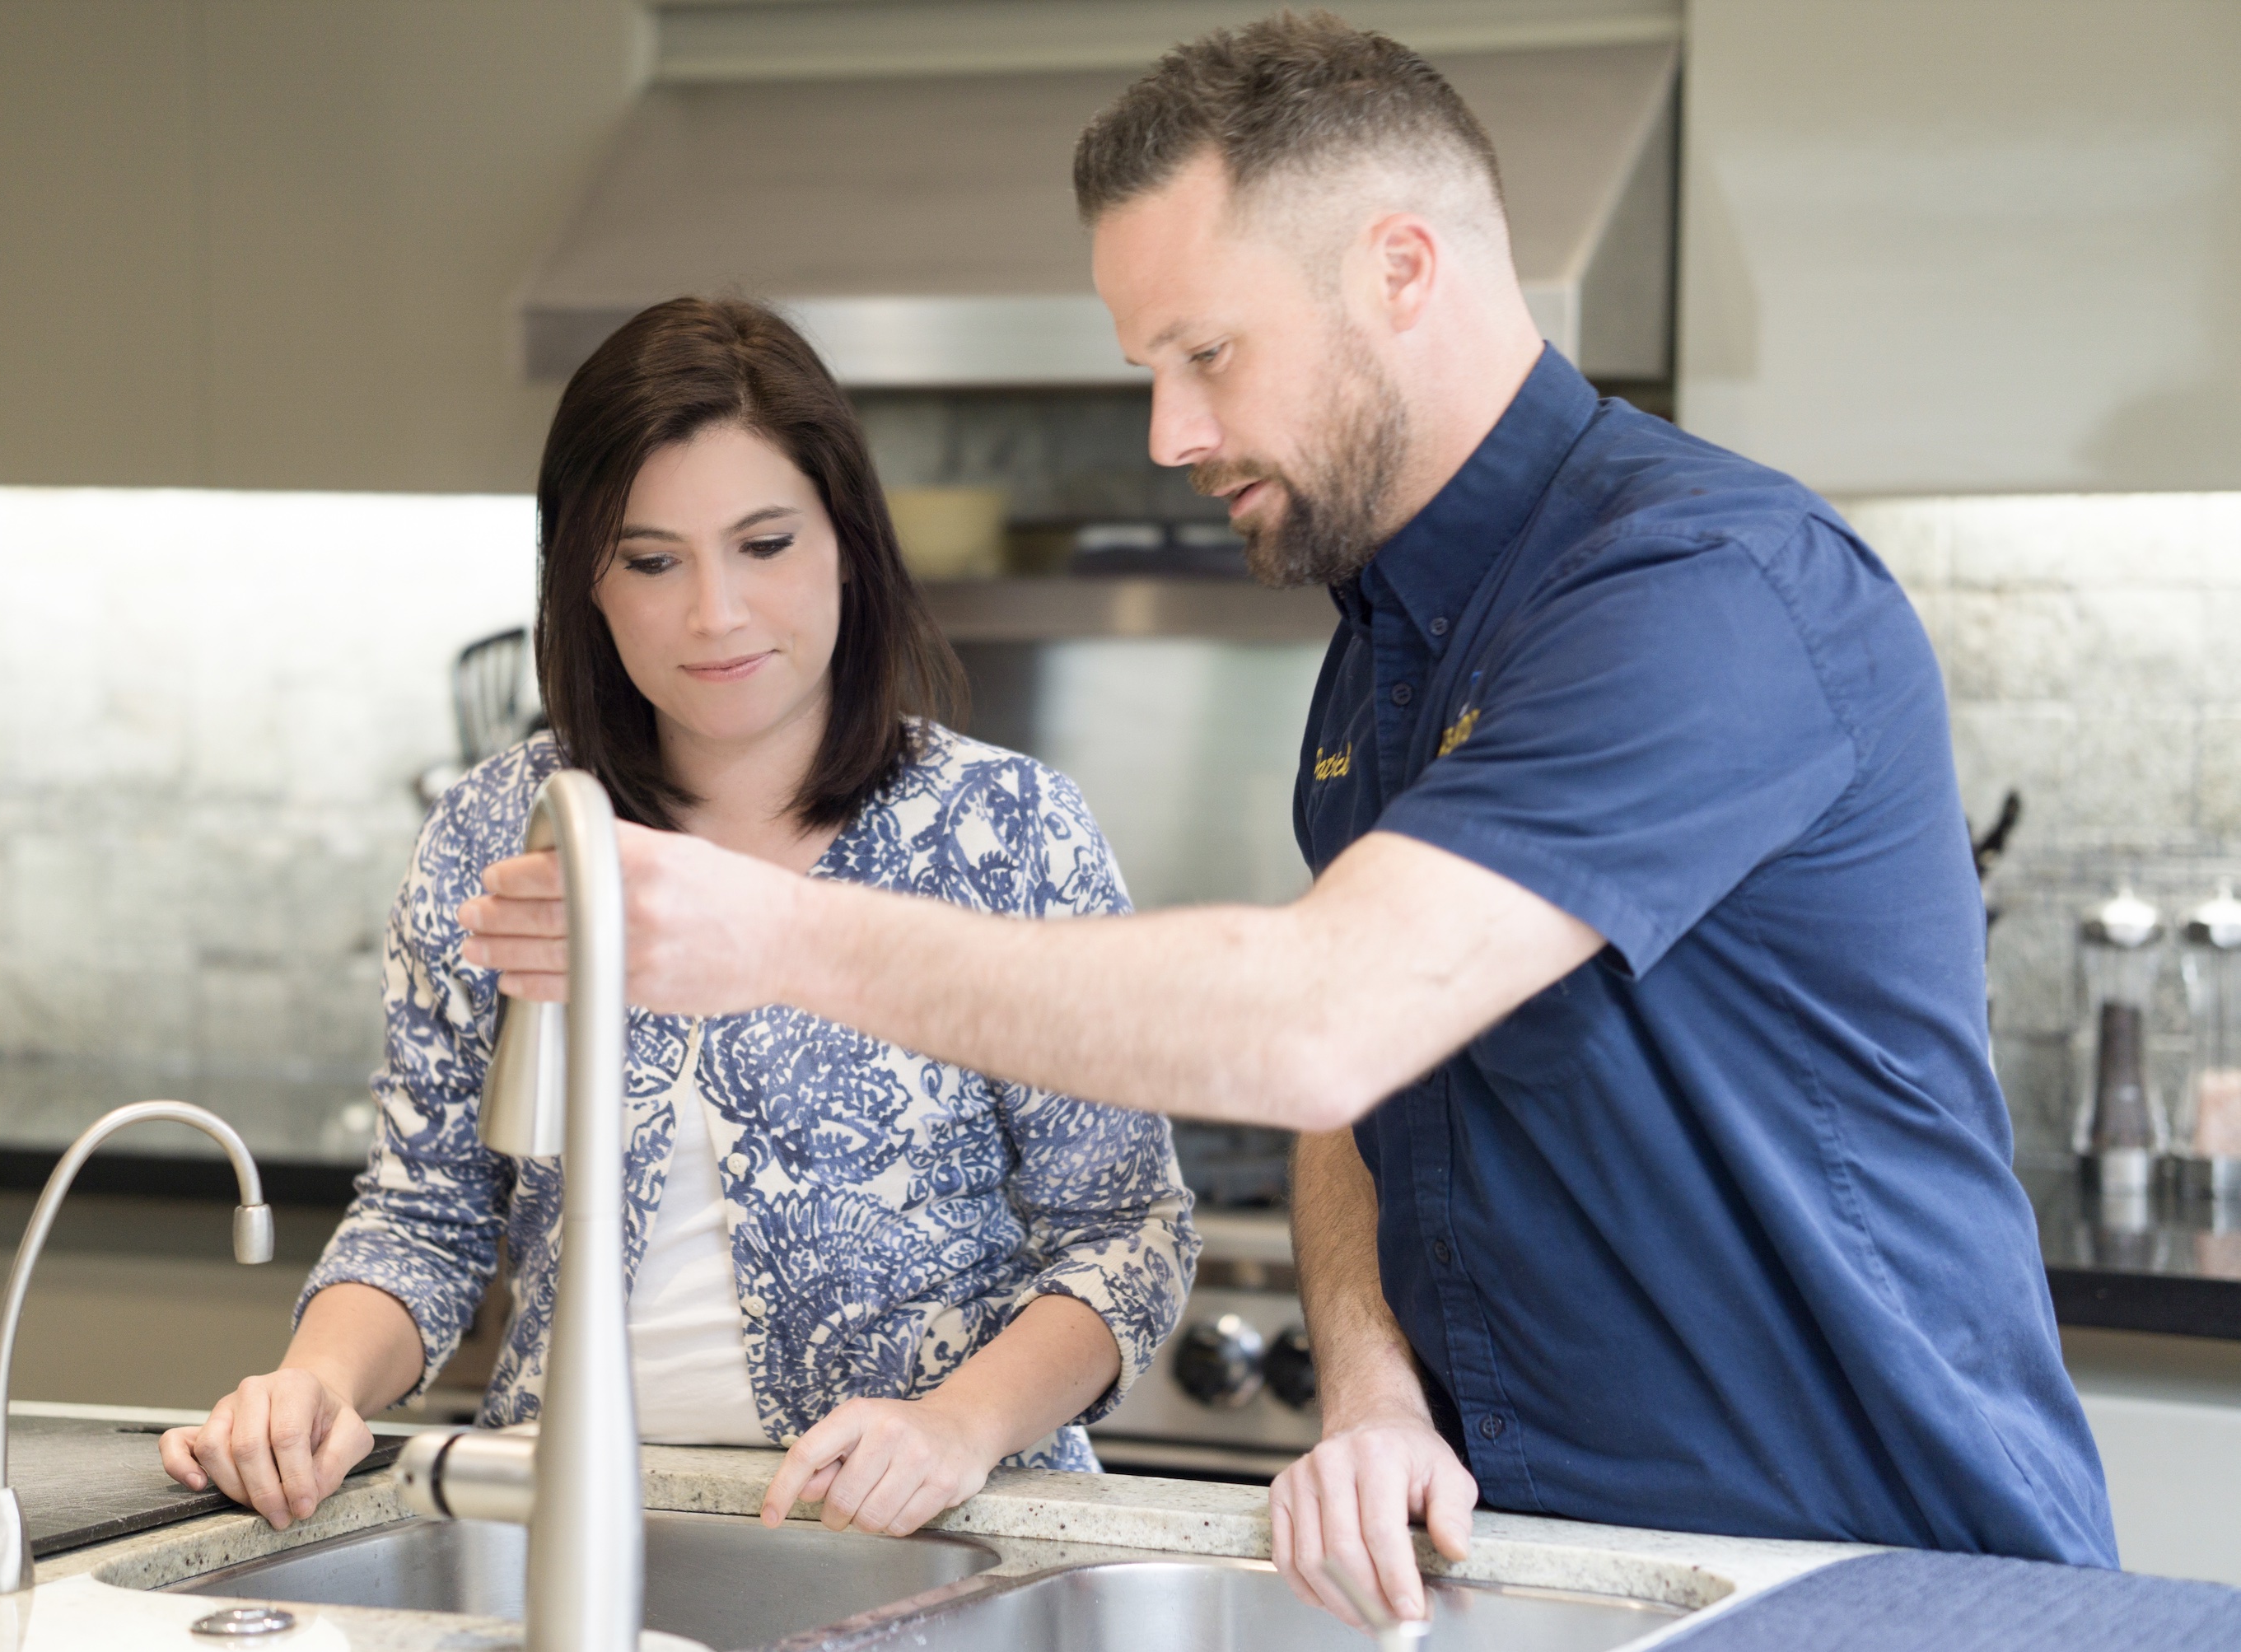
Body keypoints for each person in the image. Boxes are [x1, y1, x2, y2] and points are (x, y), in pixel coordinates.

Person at [465, 12, 2121, 1630]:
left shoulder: (1698, 593)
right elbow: (1360, 1100)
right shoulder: (1379, 651)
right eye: (1148, 370)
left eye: (1207, 353)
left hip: (1864, 1569)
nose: (1168, 432)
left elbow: (1314, 1027)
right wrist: (1372, 1380)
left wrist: (774, 932)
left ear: (1400, 270)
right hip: (1547, 1565)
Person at [159, 297, 1196, 1541]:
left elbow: (1126, 1233)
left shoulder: (1007, 828)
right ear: (583, 581)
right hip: (567, 1526)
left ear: (848, 544)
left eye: (764, 543)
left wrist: (957, 1424)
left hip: (935, 1531)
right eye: (652, 560)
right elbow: (427, 1214)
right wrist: (316, 1384)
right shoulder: (505, 831)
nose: (715, 613)